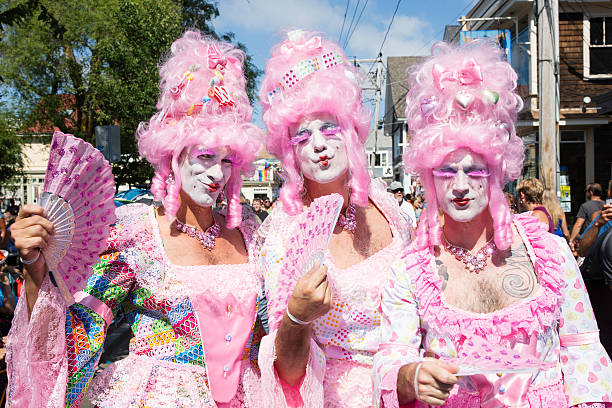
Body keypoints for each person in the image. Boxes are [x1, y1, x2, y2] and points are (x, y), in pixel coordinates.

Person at [6, 30, 266, 407]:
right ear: (173, 154)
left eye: (227, 160)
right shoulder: (136, 235)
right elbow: (80, 334)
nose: (216, 174)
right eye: (206, 156)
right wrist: (35, 268)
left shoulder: (251, 232)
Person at [373, 40, 612, 407]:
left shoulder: (549, 252)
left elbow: (585, 352)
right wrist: (410, 376)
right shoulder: (409, 271)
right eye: (446, 171)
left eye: (475, 170)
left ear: (497, 171)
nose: (461, 186)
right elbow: (391, 358)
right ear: (428, 177)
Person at [256, 30, 413, 407]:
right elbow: (289, 374)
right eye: (302, 135)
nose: (320, 144)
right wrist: (296, 318)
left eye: (329, 127)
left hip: (408, 388)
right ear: (290, 152)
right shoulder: (285, 234)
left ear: (352, 130)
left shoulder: (386, 206)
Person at [570, 183, 605, 252]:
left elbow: (578, 225)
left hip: (589, 240)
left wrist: (571, 240)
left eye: (586, 191)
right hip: (603, 240)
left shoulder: (585, 206)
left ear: (591, 192)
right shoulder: (606, 205)